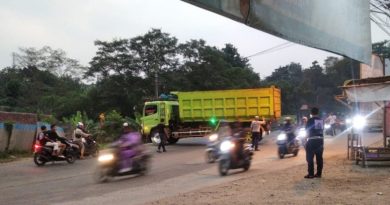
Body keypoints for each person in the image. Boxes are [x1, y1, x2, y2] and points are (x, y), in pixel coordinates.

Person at [305, 107, 324, 179]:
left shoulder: (310, 121)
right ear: (317, 112)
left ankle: (311, 174)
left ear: (311, 113)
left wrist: (305, 140)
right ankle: (319, 174)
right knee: (319, 158)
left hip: (312, 141)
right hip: (320, 141)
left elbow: (307, 131)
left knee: (310, 158)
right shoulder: (321, 120)